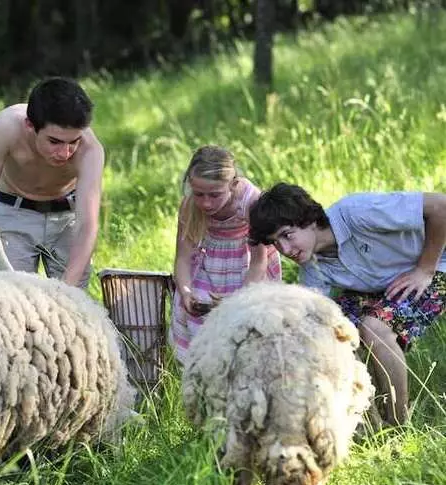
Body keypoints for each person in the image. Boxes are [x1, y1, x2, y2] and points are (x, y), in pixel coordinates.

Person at [248, 182, 446, 426]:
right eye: (275, 243)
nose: (285, 249)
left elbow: (440, 206)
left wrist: (424, 269)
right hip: (387, 284)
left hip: (435, 265)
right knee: (334, 333)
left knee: (374, 328)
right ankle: (364, 417)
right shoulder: (313, 266)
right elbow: (310, 320)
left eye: (287, 235)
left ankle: (398, 423)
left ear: (310, 220)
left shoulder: (356, 212)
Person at [0, 77, 105, 288]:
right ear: (30, 125)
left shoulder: (91, 151)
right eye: (54, 141)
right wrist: (2, 270)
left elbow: (87, 223)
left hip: (68, 217)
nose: (65, 153)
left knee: (73, 304)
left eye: (73, 142)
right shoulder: (5, 127)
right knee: (13, 302)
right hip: (15, 212)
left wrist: (67, 291)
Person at [172, 145, 282, 362]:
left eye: (214, 195)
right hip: (210, 262)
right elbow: (183, 258)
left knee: (248, 320)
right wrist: (185, 291)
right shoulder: (189, 206)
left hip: (246, 265)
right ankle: (202, 367)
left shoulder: (250, 203)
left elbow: (258, 261)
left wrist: (240, 297)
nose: (205, 202)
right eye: (199, 194)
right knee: (198, 308)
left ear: (232, 185)